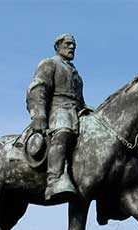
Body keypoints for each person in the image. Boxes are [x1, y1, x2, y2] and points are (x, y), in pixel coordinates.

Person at [26, 33, 92, 201]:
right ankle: (53, 180)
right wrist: (38, 114)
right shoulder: (49, 64)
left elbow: (80, 100)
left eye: (74, 46)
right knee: (64, 131)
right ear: (57, 46)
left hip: (76, 112)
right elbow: (37, 88)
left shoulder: (76, 74)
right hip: (58, 111)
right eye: (68, 44)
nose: (72, 48)